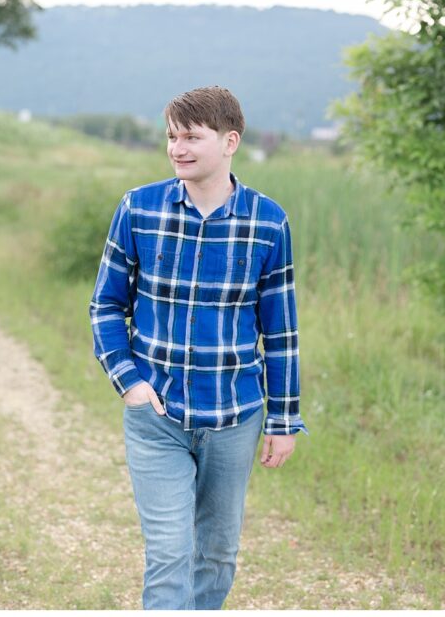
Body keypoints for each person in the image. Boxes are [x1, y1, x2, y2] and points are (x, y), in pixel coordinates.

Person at [89, 86, 306, 609]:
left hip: (234, 417)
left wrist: (283, 421)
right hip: (156, 414)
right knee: (168, 553)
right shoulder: (138, 209)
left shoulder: (267, 221)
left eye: (191, 137)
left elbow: (280, 333)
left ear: (230, 141)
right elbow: (105, 306)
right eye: (171, 136)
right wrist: (130, 382)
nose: (177, 148)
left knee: (216, 555)